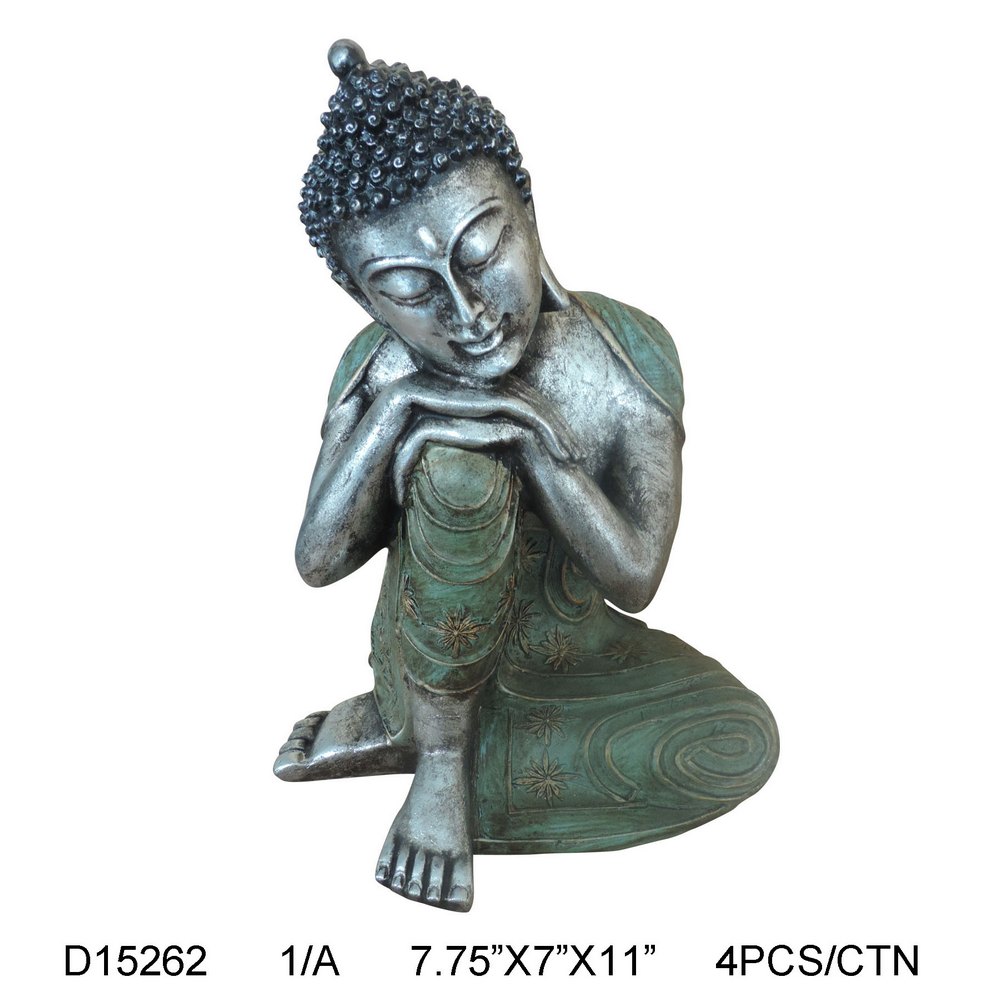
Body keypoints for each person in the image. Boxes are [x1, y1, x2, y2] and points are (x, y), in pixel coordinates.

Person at [274, 40, 778, 911]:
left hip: (574, 665)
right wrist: (397, 413)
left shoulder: (623, 355)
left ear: (529, 210)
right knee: (457, 471)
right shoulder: (378, 369)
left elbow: (636, 581)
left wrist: (539, 446)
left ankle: (416, 743)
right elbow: (317, 559)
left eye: (480, 250)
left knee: (734, 741)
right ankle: (438, 763)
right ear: (366, 301)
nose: (466, 312)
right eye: (409, 290)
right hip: (422, 665)